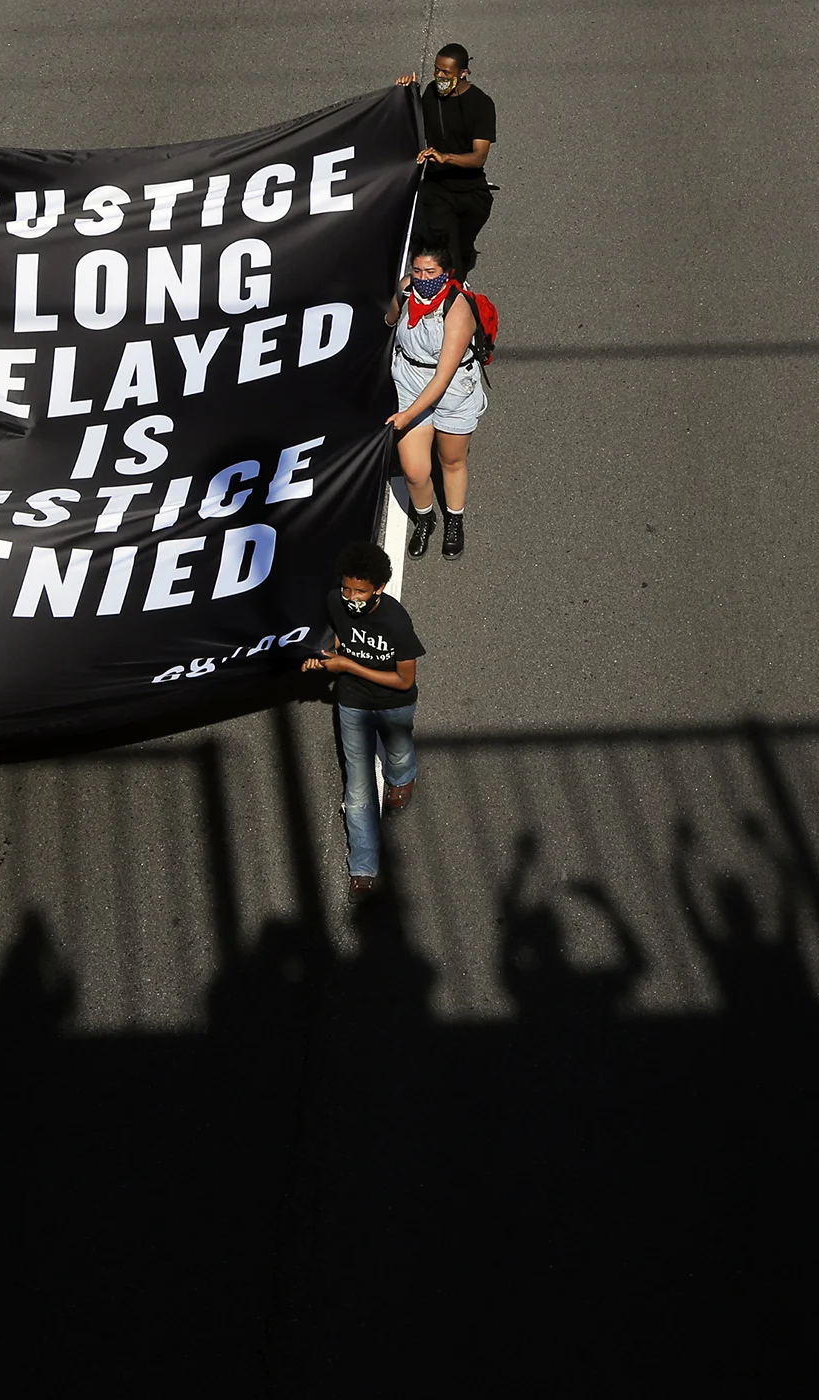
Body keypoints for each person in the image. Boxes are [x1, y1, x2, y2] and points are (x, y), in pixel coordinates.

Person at [303, 542, 424, 897]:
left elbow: (405, 680)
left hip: (394, 703)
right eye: (346, 588)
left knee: (399, 749)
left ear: (379, 589)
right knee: (357, 787)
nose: (351, 596)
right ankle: (363, 866)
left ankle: (403, 777)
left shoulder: (396, 622)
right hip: (352, 702)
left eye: (360, 591)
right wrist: (324, 658)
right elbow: (340, 639)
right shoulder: (333, 602)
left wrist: (349, 666)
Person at [387, 237, 486, 560]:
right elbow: (391, 316)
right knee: (414, 471)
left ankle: (454, 520)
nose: (423, 279)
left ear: (448, 273)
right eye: (418, 271)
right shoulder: (406, 289)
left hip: (453, 389)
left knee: (451, 461)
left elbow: (443, 378)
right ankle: (426, 518)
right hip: (410, 380)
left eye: (432, 272)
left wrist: (406, 415)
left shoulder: (457, 311)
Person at [395, 43, 496, 278]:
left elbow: (478, 157)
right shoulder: (431, 93)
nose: (439, 76)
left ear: (463, 73)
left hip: (472, 192)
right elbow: (409, 120)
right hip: (437, 188)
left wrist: (446, 157)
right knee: (447, 254)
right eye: (436, 70)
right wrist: (404, 92)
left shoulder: (481, 104)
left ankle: (463, 259)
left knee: (461, 247)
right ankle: (453, 300)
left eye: (446, 73)